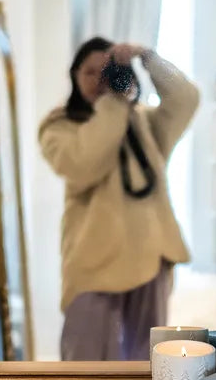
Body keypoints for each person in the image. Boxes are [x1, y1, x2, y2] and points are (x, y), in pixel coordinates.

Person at [39, 38, 200, 361]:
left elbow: (186, 98)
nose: (99, 80)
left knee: (147, 361)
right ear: (74, 75)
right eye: (90, 72)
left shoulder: (142, 120)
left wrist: (148, 58)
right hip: (94, 263)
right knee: (87, 361)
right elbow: (84, 163)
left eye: (107, 71)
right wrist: (114, 102)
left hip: (151, 256)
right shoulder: (60, 125)